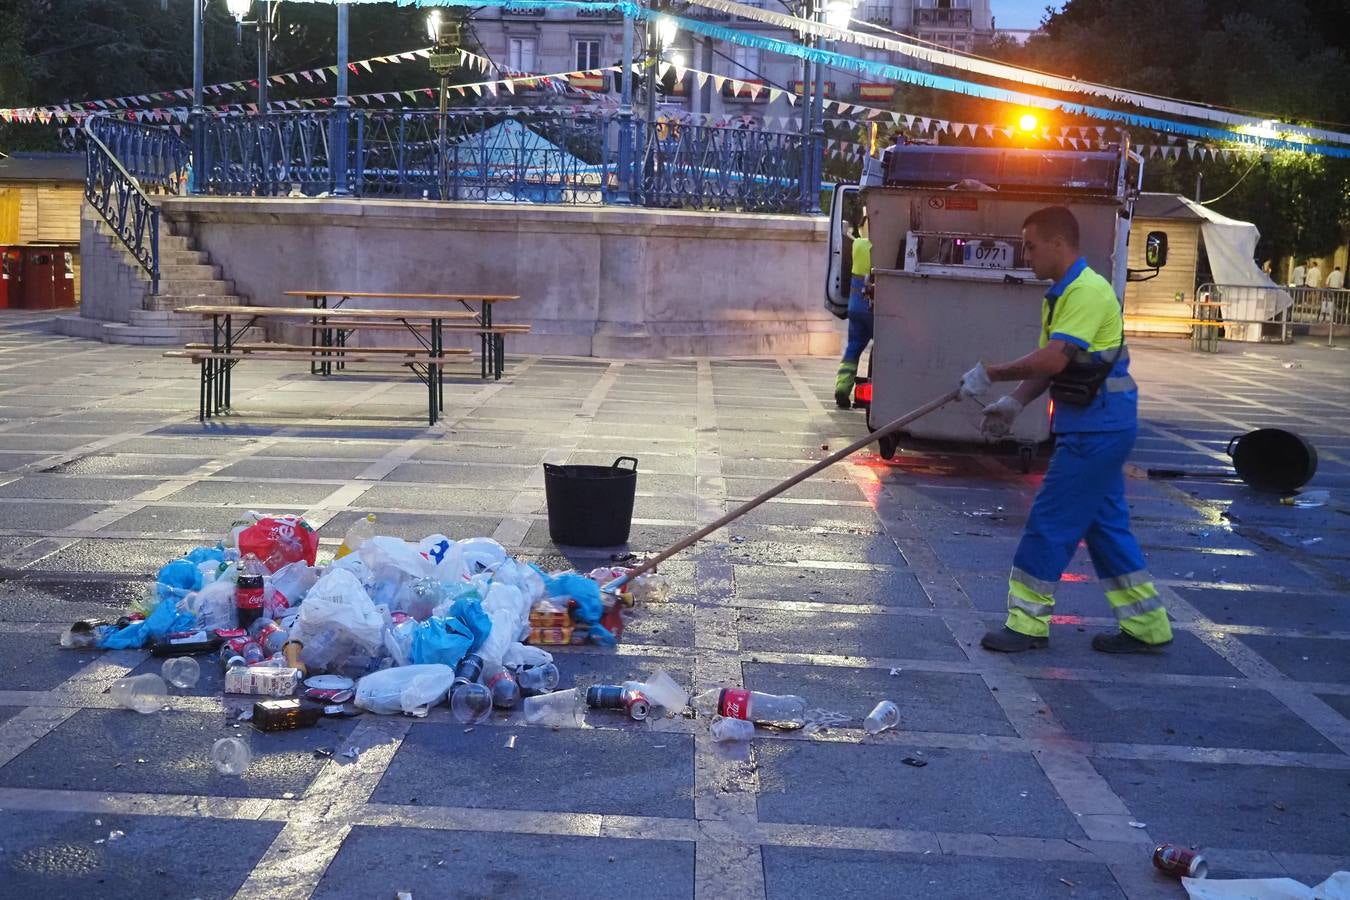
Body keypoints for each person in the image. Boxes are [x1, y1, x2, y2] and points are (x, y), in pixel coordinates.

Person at [959, 206, 1172, 654]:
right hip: (1099, 426)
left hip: (1098, 431)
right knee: (1107, 528)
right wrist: (1013, 403)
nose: (1026, 255)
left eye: (1032, 246)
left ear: (1059, 244)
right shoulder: (1061, 294)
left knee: (1049, 523)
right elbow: (1053, 367)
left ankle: (1027, 624)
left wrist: (990, 373)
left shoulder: (1087, 293)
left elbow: (1053, 360)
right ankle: (1147, 626)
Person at [835, 217, 875, 409]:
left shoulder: (857, 245)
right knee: (883, 352)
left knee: (853, 348)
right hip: (876, 309)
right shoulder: (880, 248)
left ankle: (842, 388)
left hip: (855, 307)